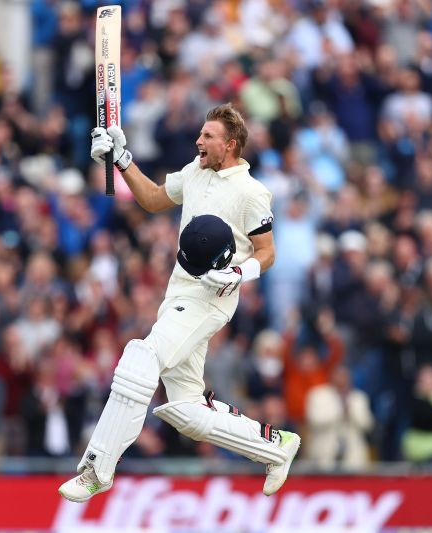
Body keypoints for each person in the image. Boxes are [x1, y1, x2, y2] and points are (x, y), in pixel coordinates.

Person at [59, 104, 300, 502]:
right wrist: (121, 159)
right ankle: (275, 445)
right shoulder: (195, 171)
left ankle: (97, 468)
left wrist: (240, 274)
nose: (198, 141)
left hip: (212, 297)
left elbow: (267, 252)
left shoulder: (253, 192)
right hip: (179, 294)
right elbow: (153, 199)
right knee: (186, 410)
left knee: (141, 358)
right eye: (200, 134)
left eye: (208, 136)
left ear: (231, 144)